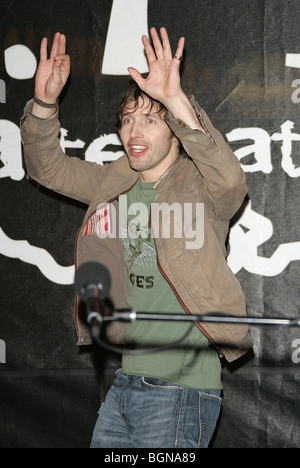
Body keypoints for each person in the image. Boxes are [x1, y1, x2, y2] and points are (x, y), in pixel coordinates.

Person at [21, 27, 253, 448]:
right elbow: (46, 169)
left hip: (181, 389)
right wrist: (44, 103)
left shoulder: (199, 185)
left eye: (150, 119)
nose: (134, 131)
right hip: (126, 383)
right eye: (127, 121)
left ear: (175, 134)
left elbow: (231, 181)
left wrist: (175, 99)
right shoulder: (114, 181)